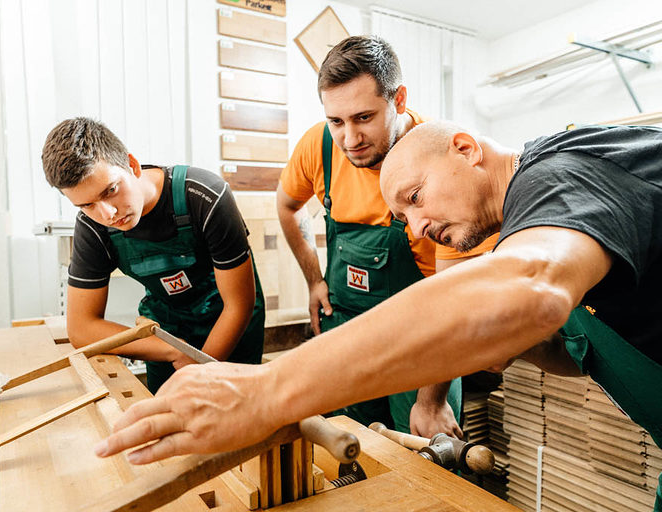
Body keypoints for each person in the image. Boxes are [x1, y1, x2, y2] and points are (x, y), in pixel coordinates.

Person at [93, 119, 662, 508]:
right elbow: (582, 351)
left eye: (415, 197)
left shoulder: (558, 174)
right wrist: (529, 346)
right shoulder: (538, 228)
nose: (416, 228)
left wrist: (267, 389)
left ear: (465, 149)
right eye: (403, 216)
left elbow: (531, 287)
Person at [277, 35, 494, 437]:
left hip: (423, 344)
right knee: (348, 450)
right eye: (336, 121)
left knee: (427, 470)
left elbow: (455, 301)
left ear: (399, 100)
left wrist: (432, 402)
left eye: (364, 118)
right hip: (346, 327)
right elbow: (287, 206)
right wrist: (313, 279)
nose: (350, 139)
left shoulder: (443, 161)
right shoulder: (320, 147)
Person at [41, 117, 265, 393]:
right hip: (166, 331)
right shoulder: (93, 226)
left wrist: (200, 370)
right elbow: (81, 327)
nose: (107, 214)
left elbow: (238, 305)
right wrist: (170, 350)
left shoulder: (203, 196)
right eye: (87, 204)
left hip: (228, 322)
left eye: (110, 190)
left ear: (132, 165)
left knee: (236, 420)